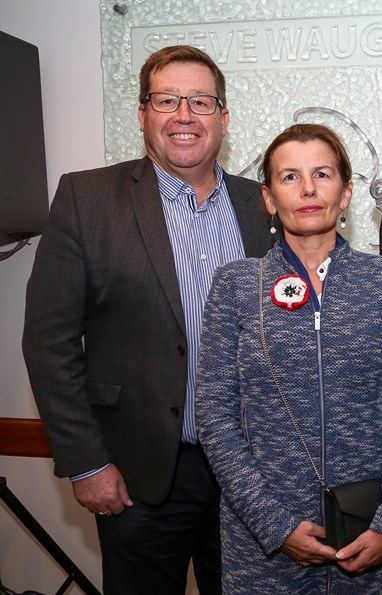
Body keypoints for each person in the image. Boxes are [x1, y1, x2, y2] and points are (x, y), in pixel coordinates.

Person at [22, 46, 273, 594]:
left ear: (223, 118)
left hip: (255, 475)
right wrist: (87, 463)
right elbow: (48, 342)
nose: (184, 115)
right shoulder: (87, 198)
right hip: (139, 473)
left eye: (200, 101)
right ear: (143, 114)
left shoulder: (264, 205)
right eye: (167, 100)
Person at [194, 123, 382, 593]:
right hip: (264, 549)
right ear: (268, 198)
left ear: (345, 193)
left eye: (322, 174)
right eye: (289, 177)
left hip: (369, 537)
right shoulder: (236, 286)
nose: (307, 189)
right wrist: (275, 525)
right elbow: (215, 415)